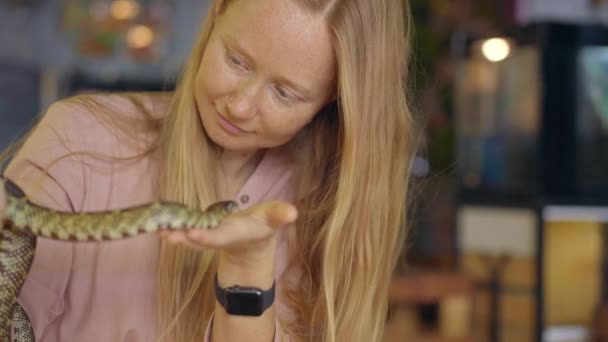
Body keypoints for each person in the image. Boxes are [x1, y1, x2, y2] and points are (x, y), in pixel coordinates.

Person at [0, 0, 417, 341]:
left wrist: (249, 265)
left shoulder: (323, 213)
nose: (239, 105)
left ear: (330, 101)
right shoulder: (79, 140)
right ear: (216, 12)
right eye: (236, 60)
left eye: (284, 93)